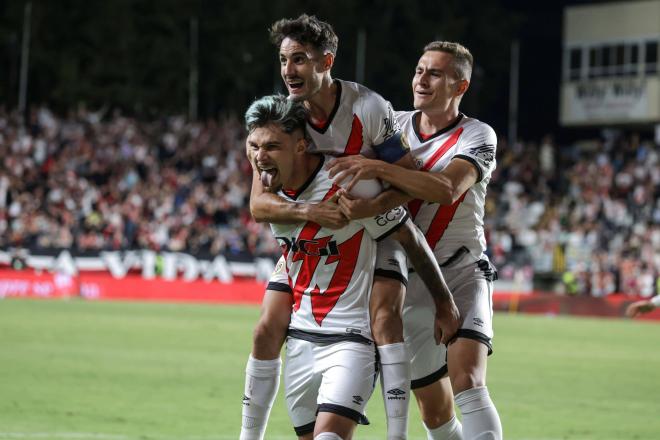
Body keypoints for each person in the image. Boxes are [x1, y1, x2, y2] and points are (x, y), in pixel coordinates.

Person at [240, 15, 460, 440]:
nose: (288, 70)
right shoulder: (286, 118)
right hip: (314, 231)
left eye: (299, 60)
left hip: (373, 228)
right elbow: (259, 203)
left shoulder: (368, 108)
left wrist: (371, 206)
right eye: (284, 59)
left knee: (383, 319)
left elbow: (407, 177)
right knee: (266, 326)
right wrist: (311, 212)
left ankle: (398, 432)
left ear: (328, 61)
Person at [328, 41, 503, 440]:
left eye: (435, 73)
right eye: (420, 70)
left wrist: (376, 166)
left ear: (460, 86)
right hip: (407, 278)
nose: (422, 79)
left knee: (468, 381)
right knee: (434, 411)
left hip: (461, 271)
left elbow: (445, 188)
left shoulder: (477, 135)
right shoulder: (394, 125)